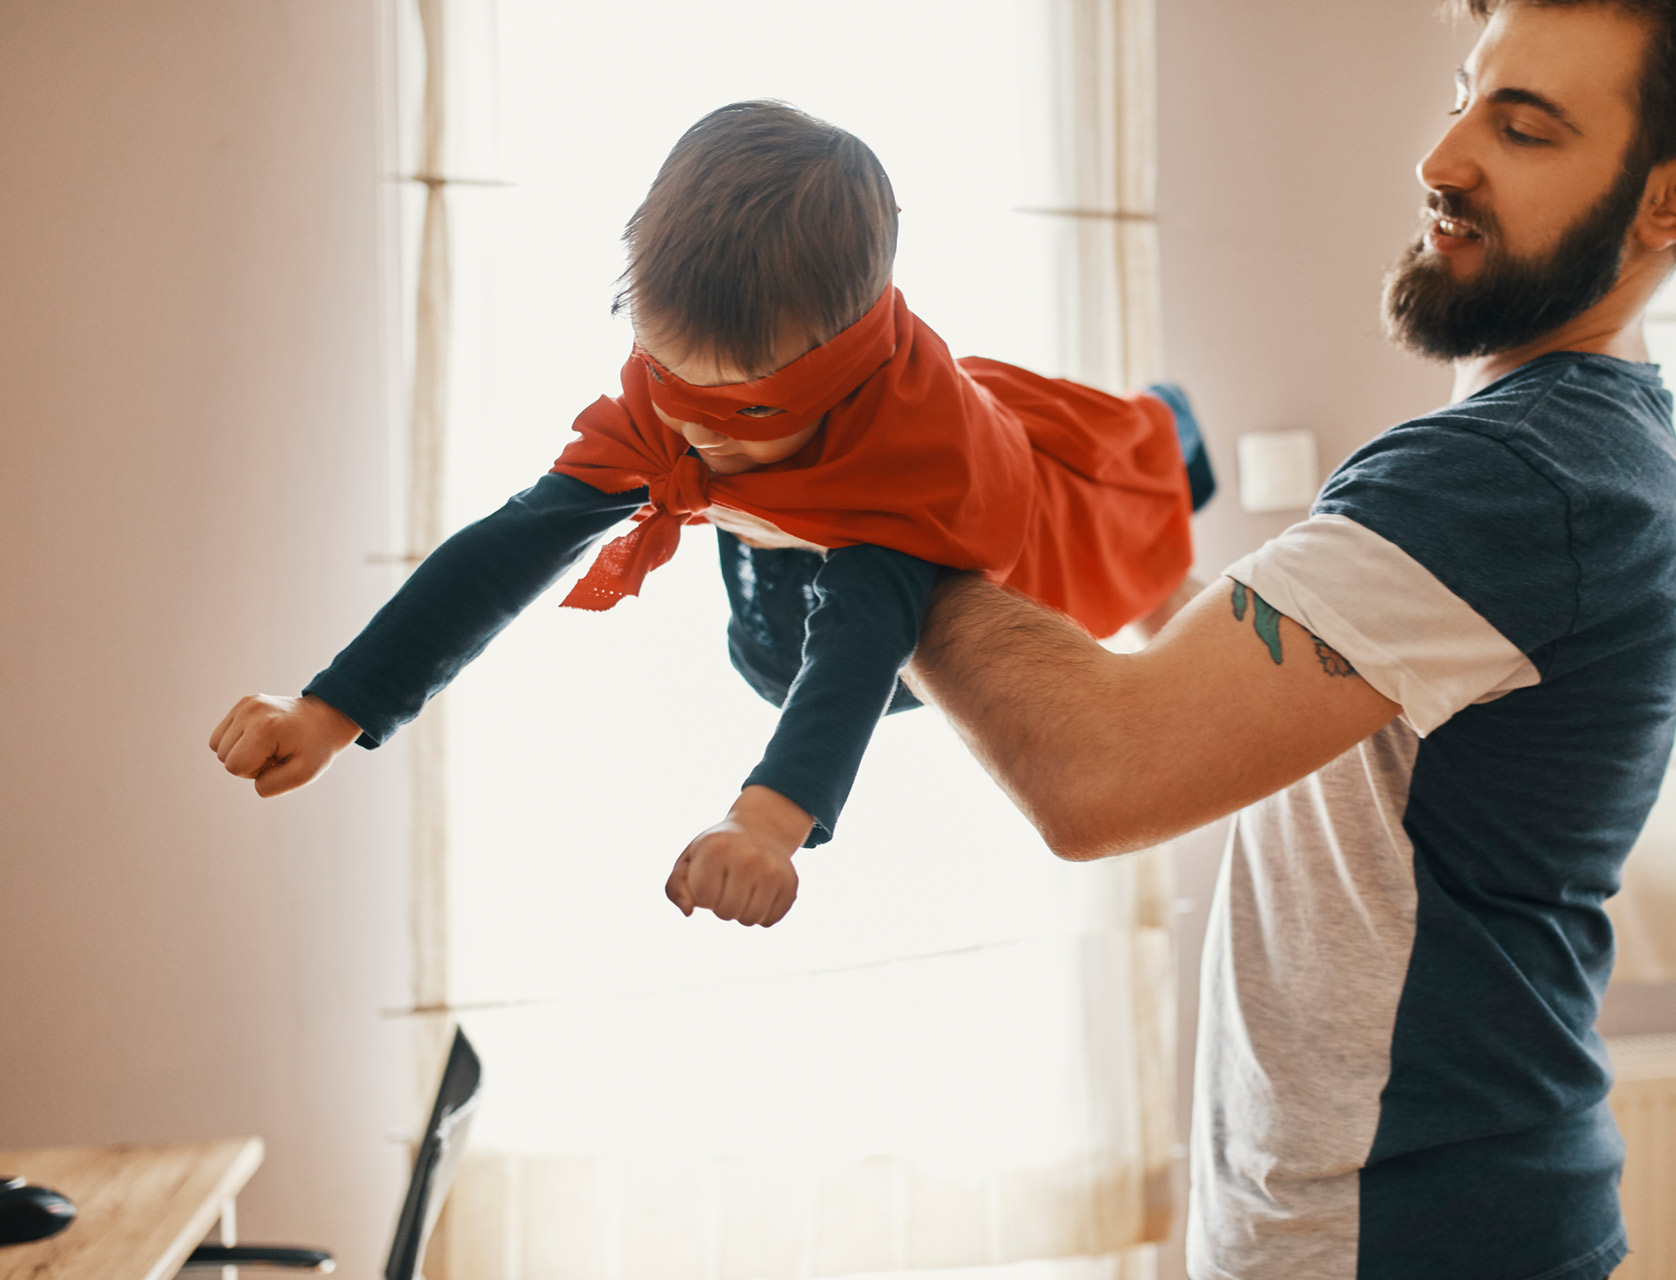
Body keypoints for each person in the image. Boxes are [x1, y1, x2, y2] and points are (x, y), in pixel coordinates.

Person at [904, 1, 1676, 1277]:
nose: (1441, 157)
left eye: (1524, 126)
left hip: (1402, 1235)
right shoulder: (1552, 452)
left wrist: (875, 513)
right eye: (1464, 91)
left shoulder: (1522, 476)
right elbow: (1258, 696)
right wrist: (1084, 548)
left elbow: (1093, 773)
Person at [207, 101, 1214, 928]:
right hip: (774, 590)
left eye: (739, 410)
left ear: (843, 370)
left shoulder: (916, 458)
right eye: (670, 379)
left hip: (992, 538)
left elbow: (857, 650)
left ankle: (1179, 440)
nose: (692, 429)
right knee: (744, 587)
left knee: (1124, 481)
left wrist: (765, 824)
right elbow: (515, 541)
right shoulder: (680, 412)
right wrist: (329, 708)